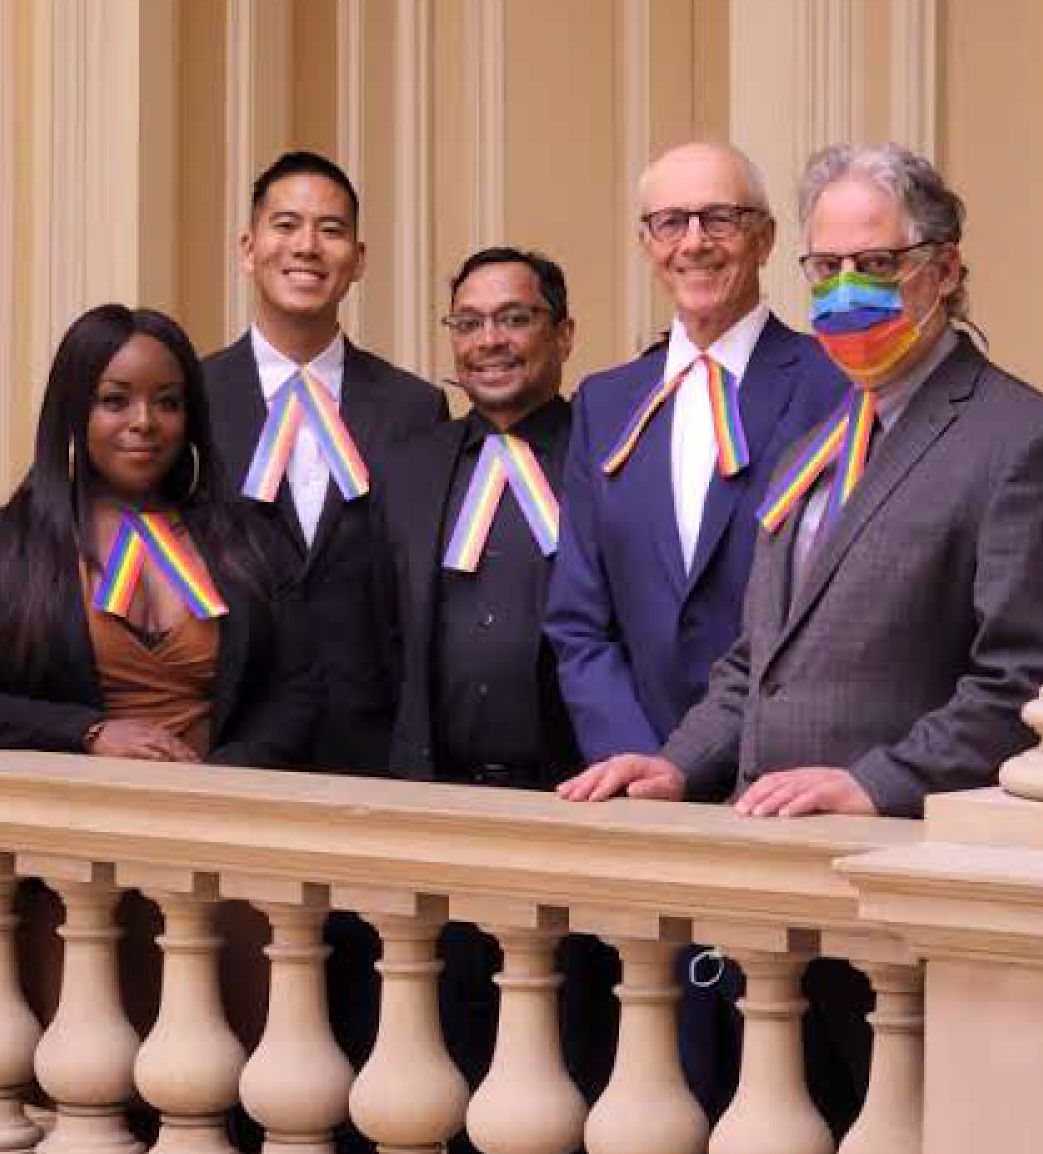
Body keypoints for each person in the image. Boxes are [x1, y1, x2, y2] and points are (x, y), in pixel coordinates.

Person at [560, 143, 1043, 1135]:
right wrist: (674, 761)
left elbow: (1020, 680)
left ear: (945, 268)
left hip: (897, 900)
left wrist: (874, 779)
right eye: (824, 272)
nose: (844, 294)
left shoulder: (1014, 434)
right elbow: (760, 656)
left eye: (873, 266)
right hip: (779, 905)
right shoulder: (821, 437)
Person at [543, 141, 845, 1123]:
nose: (695, 241)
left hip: (777, 796)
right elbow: (577, 618)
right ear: (645, 244)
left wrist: (720, 758)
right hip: (641, 807)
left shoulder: (833, 383)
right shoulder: (605, 403)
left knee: (784, 1093)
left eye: (719, 217)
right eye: (671, 223)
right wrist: (642, 762)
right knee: (654, 1087)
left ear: (762, 236)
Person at [375, 247, 609, 1138]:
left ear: (562, 334)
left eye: (513, 318)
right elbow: (379, 641)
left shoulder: (609, 451)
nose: (490, 342)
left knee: (574, 1071)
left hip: (572, 807)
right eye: (467, 323)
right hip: (438, 815)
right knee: (447, 1069)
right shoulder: (411, 465)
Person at [0, 303, 319, 768]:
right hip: (77, 823)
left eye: (167, 402)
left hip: (222, 816)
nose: (144, 421)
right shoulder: (0, 544)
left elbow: (298, 691)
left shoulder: (250, 538)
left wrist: (225, 775)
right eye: (114, 400)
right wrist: (87, 732)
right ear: (73, 410)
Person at [204, 150, 446, 777]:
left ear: (358, 260)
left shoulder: (415, 407)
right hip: (227, 742)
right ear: (248, 246)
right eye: (285, 226)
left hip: (371, 750)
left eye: (330, 230)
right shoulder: (192, 399)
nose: (306, 246)